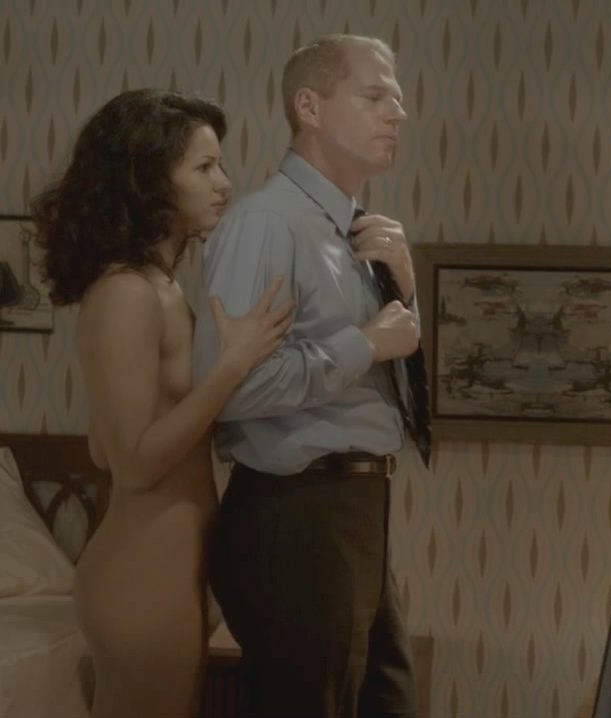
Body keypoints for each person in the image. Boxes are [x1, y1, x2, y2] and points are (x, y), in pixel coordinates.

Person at [30, 89, 294, 718]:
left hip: (171, 572)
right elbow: (131, 464)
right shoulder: (126, 292)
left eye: (220, 164)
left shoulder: (163, 286)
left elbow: (105, 443)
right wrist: (232, 365)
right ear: (148, 181)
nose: (225, 183)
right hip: (142, 576)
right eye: (204, 167)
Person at [191, 34, 429, 718]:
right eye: (375, 96)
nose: (397, 113)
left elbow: (393, 370)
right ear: (310, 108)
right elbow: (231, 389)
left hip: (356, 514)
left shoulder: (358, 232)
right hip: (297, 517)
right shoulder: (266, 225)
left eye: (398, 99)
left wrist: (405, 290)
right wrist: (365, 343)